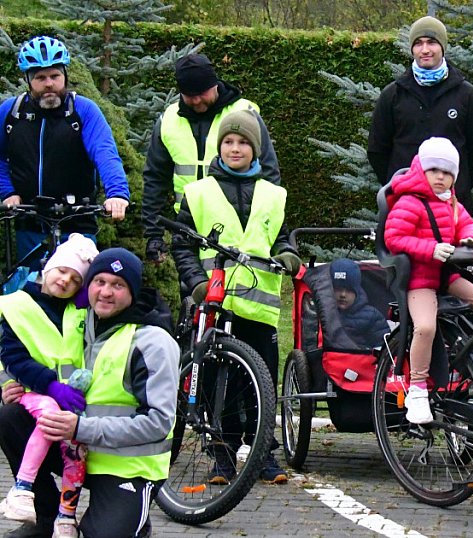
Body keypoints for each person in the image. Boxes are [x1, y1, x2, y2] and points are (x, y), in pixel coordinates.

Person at [0, 247, 179, 538]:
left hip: (127, 464)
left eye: (118, 285)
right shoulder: (79, 322)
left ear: (133, 291)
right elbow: (21, 348)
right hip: (77, 452)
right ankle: (46, 520)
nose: (106, 292)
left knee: (104, 534)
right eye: (100, 282)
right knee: (10, 418)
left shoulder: (153, 341)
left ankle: (133, 516)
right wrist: (9, 384)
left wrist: (82, 427)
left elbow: (159, 423)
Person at [171, 109, 301, 484]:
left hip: (259, 308)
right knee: (218, 382)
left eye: (243, 142)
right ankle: (223, 457)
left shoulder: (274, 195)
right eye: (228, 142)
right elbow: (182, 244)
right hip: (215, 303)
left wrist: (287, 253)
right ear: (220, 147)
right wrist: (195, 281)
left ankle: (263, 455)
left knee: (261, 383)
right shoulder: (197, 193)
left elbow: (280, 235)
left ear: (255, 149)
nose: (235, 148)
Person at [384, 136, 473, 424]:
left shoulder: (452, 203)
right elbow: (394, 238)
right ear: (422, 169)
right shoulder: (411, 201)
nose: (441, 178)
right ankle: (418, 390)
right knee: (425, 326)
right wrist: (430, 250)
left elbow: (466, 224)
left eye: (448, 173)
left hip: (446, 276)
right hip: (418, 279)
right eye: (435, 171)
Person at [0, 36, 130, 270]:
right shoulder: (11, 112)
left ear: (65, 76)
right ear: (28, 80)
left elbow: (105, 153)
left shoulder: (82, 111)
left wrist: (117, 193)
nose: (49, 84)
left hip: (77, 223)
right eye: (40, 78)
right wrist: (7, 192)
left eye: (54, 76)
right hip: (29, 223)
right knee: (29, 293)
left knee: (77, 293)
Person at [0, 234, 97, 538]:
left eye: (75, 278)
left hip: (88, 416)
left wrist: (90, 300)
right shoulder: (16, 306)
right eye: (62, 271)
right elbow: (12, 356)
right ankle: (44, 514)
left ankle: (102, 513)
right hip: (44, 401)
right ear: (48, 267)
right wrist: (48, 385)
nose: (66, 280)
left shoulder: (84, 308)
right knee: (8, 419)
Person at [142, 53, 281, 263]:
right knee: (194, 291)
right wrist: (154, 234)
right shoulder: (168, 120)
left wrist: (266, 224)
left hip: (239, 224)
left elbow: (269, 171)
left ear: (214, 83)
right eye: (189, 95)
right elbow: (154, 179)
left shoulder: (244, 113)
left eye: (201, 93)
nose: (196, 100)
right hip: (188, 225)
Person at [368, 15, 473, 213]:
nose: (425, 50)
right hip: (404, 207)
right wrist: (400, 185)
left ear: (442, 47)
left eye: (432, 42)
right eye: (418, 43)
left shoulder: (467, 95)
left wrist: (458, 185)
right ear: (412, 49)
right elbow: (377, 150)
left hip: (453, 206)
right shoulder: (393, 95)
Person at [329, 258, 389, 349]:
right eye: (338, 289)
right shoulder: (323, 314)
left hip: (361, 362)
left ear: (357, 291)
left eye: (349, 290)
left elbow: (385, 350)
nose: (343, 295)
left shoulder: (372, 316)